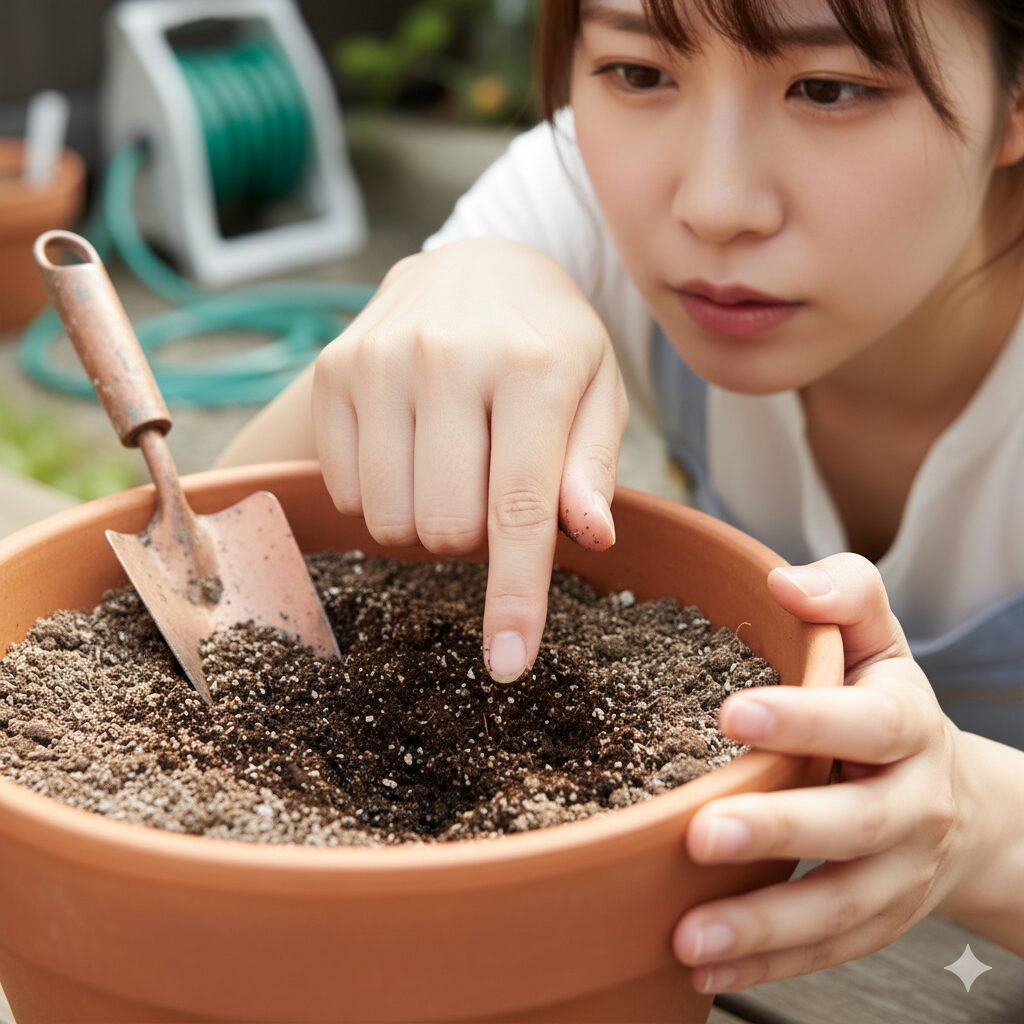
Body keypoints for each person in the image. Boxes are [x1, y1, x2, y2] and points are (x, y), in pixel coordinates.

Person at [219, 0, 1024, 992]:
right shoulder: (579, 189)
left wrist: (983, 828)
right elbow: (216, 568)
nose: (716, 204)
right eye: (639, 71)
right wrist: (459, 280)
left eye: (829, 88)